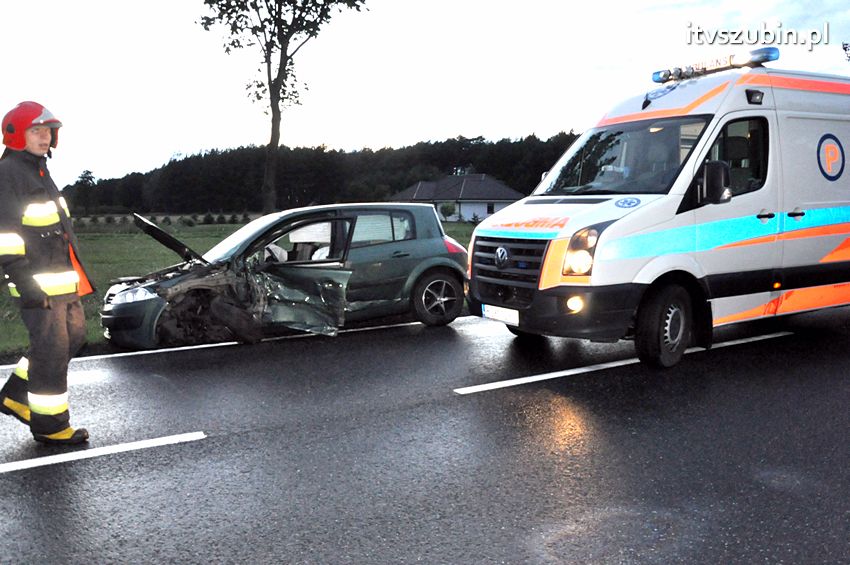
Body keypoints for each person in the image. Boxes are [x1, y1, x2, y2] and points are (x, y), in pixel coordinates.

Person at [0, 101, 94, 445]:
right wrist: (26, 283)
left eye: (47, 131)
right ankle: (51, 426)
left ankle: (16, 394)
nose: (44, 137)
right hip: (37, 283)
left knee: (73, 338)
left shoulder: (38, 171)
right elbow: (5, 236)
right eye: (36, 131)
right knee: (52, 350)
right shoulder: (9, 173)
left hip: (63, 280)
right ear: (16, 135)